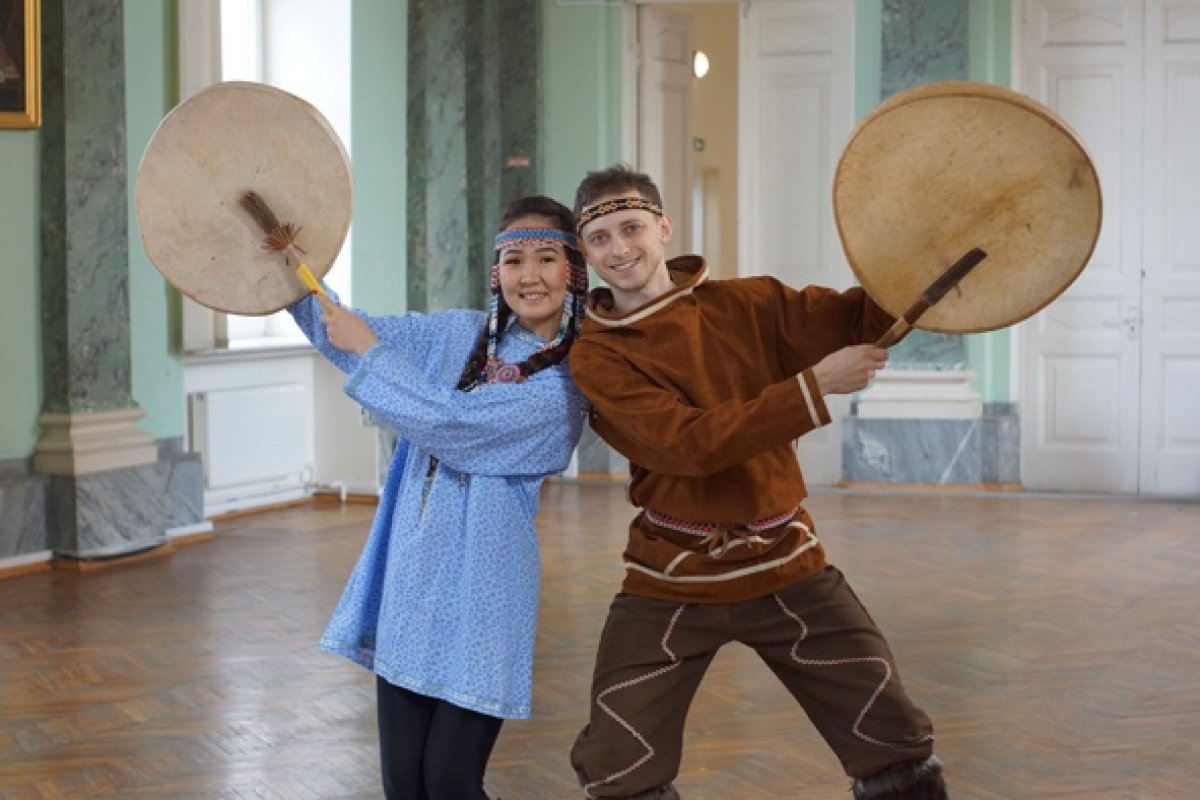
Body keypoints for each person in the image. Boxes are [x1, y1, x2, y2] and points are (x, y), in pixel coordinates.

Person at [566, 165, 946, 800]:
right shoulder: (597, 355)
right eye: (599, 239)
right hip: (673, 574)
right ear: (586, 252)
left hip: (787, 562)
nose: (619, 248)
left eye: (631, 227)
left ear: (663, 226)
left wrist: (922, 254)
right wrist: (815, 386)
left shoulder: (751, 303)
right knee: (616, 762)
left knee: (892, 738)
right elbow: (690, 444)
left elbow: (859, 318)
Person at [289, 195, 589, 799]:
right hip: (412, 583)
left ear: (574, 272)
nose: (529, 277)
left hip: (485, 593)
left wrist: (368, 350)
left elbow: (450, 426)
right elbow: (347, 333)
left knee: (451, 781)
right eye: (513, 261)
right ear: (495, 272)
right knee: (404, 784)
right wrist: (287, 273)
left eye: (547, 259)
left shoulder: (565, 387)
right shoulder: (456, 335)